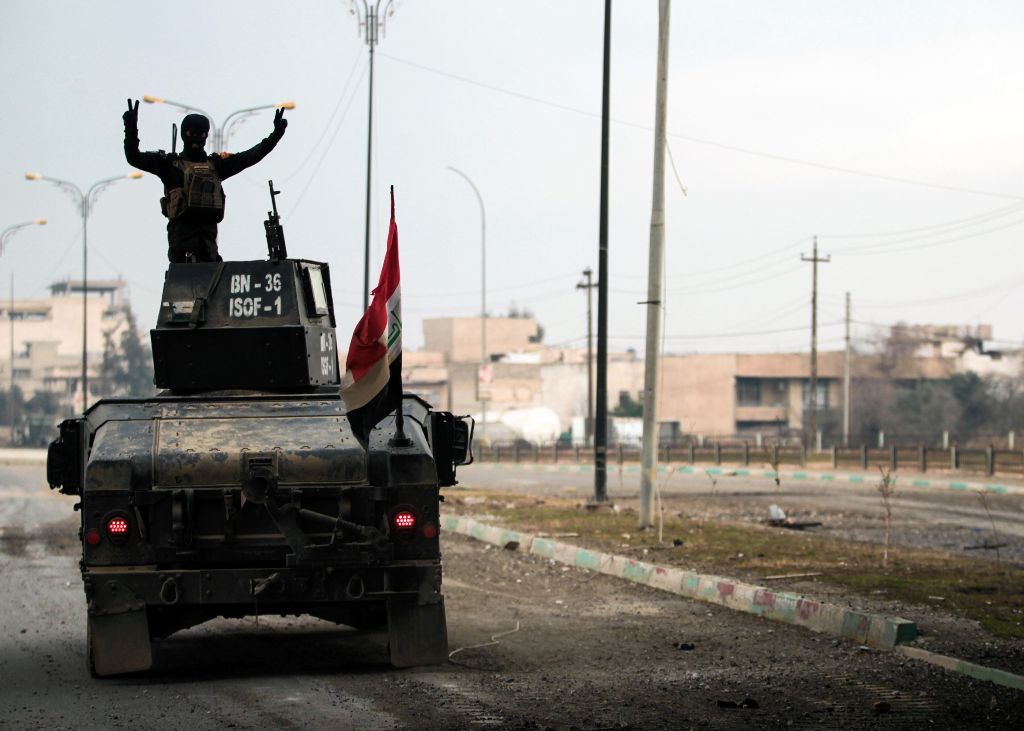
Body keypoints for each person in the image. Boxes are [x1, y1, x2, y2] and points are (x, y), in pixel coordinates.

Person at [122, 98, 287, 262]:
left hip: (209, 256)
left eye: (201, 134)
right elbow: (134, 157)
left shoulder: (216, 165)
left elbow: (251, 156)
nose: (196, 139)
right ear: (183, 134)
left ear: (206, 136)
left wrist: (275, 135)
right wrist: (130, 129)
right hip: (182, 258)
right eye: (191, 134)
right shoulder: (169, 165)